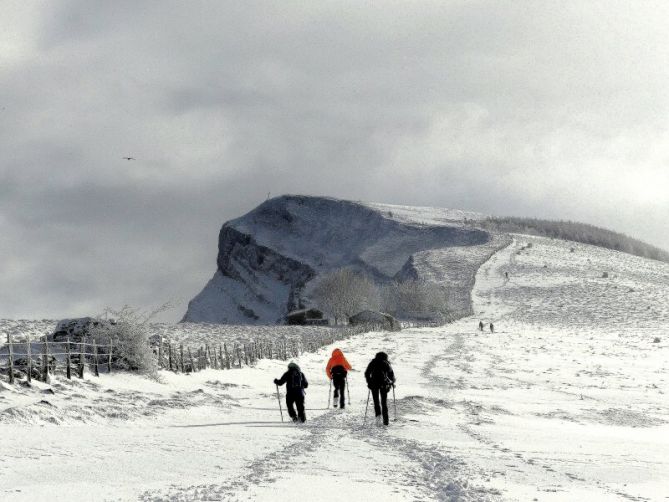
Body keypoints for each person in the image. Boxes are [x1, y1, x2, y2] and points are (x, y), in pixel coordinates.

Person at [364, 352, 395, 426]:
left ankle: (378, 419)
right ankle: (386, 421)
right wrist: (391, 383)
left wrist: (369, 382)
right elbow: (391, 374)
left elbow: (367, 373)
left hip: (374, 384)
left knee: (376, 402)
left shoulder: (373, 362)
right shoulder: (386, 363)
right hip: (383, 384)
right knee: (384, 403)